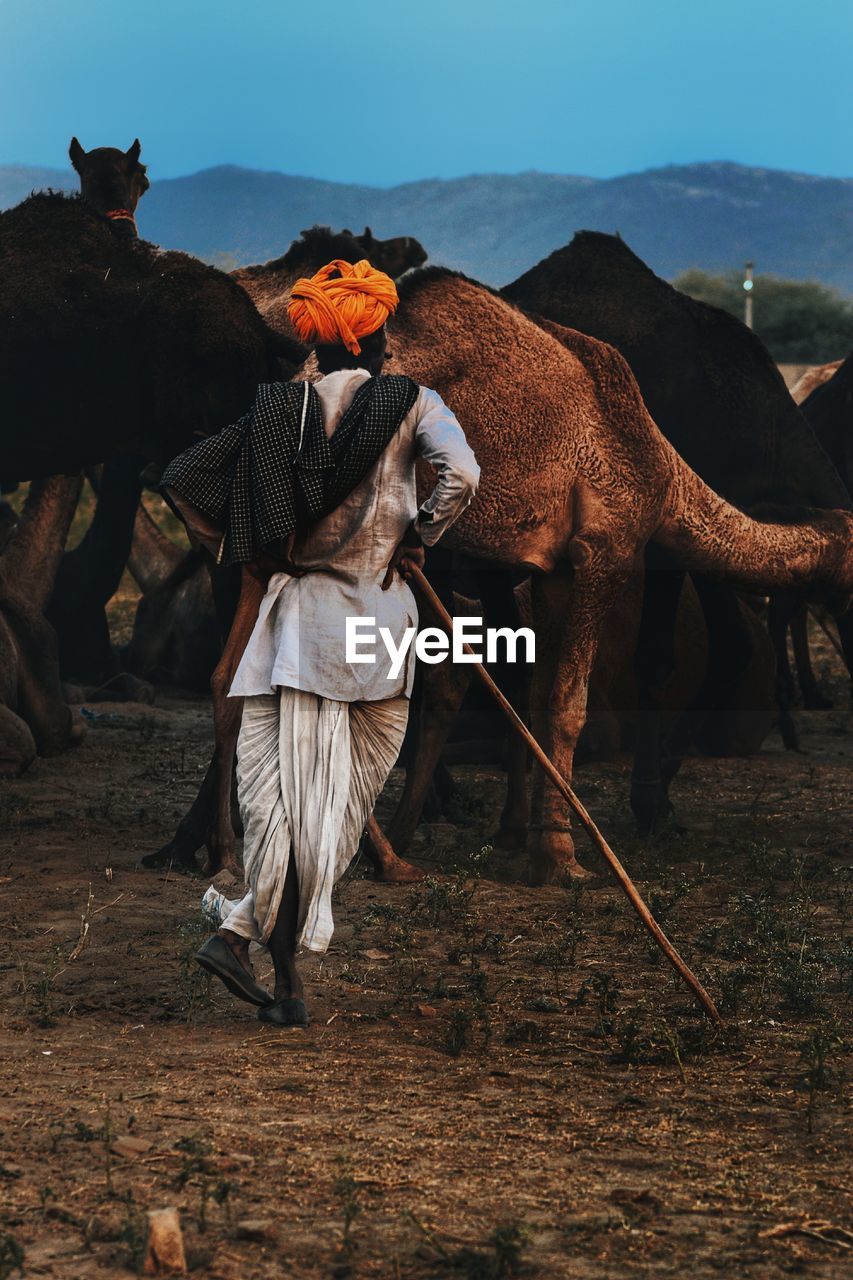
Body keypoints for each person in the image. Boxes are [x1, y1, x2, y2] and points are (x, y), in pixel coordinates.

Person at [192, 258, 479, 1027]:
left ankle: (247, 942)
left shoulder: (279, 412)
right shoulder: (415, 404)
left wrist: (248, 547)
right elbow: (461, 475)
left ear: (322, 342)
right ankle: (277, 976)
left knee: (284, 807)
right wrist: (417, 537)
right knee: (337, 811)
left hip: (292, 623)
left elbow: (187, 477)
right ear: (379, 333)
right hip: (377, 624)